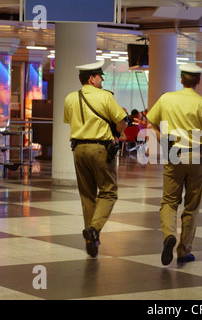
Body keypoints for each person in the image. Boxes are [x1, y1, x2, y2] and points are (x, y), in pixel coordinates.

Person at [146, 63, 202, 265]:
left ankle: (169, 234)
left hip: (172, 154)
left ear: (181, 80)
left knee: (169, 201)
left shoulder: (166, 98)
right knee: (191, 205)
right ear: (198, 81)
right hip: (196, 156)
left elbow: (149, 123)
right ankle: (184, 250)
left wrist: (162, 137)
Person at [63, 60, 128, 257]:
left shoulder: (70, 98)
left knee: (87, 195)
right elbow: (121, 122)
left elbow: (68, 120)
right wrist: (117, 133)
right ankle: (95, 228)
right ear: (92, 78)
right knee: (109, 192)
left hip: (78, 149)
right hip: (100, 149)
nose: (102, 80)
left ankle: (92, 238)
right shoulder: (105, 97)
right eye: (100, 76)